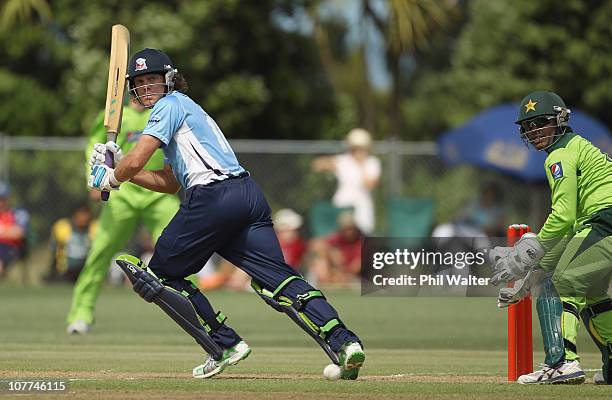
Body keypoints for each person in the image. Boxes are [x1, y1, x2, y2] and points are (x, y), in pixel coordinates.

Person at [87, 48, 365, 380]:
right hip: (246, 195)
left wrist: (113, 175)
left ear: (169, 80)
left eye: (152, 80)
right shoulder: (188, 111)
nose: (147, 87)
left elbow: (138, 160)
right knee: (276, 279)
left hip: (213, 196)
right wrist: (120, 169)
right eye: (141, 82)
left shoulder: (169, 105)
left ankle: (224, 344)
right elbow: (169, 183)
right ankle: (345, 342)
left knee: (158, 276)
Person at [490, 91, 612, 385]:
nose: (533, 132)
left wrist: (530, 252)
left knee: (560, 284)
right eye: (527, 127)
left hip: (605, 222)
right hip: (599, 224)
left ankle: (562, 363)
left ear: (560, 120)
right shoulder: (576, 147)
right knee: (592, 293)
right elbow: (572, 230)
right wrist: (532, 273)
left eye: (540, 123)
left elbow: (564, 216)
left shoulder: (559, 155)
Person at [66, 98, 180, 334]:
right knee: (101, 252)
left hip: (158, 191)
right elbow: (94, 145)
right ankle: (81, 314)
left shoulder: (163, 113)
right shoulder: (115, 115)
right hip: (122, 191)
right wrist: (96, 179)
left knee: (181, 250)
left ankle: (192, 314)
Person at [311, 128, 381, 234]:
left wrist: (360, 165)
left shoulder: (372, 162)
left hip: (362, 209)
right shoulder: (344, 160)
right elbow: (317, 165)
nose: (357, 151)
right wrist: (328, 161)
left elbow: (370, 184)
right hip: (342, 206)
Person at [307, 211, 363, 286]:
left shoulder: (362, 240)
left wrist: (344, 271)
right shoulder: (337, 238)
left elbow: (356, 267)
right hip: (337, 272)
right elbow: (315, 244)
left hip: (355, 276)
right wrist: (332, 253)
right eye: (345, 229)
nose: (348, 232)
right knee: (321, 259)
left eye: (351, 229)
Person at [46, 205, 96, 283]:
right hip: (66, 270)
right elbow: (54, 249)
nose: (84, 218)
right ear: (75, 215)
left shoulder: (94, 228)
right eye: (81, 214)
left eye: (86, 214)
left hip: (86, 269)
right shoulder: (63, 227)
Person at [0, 182, 29, 278]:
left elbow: (19, 233)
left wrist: (3, 231)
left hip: (10, 248)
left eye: (2, 199)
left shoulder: (17, 213)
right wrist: (7, 231)